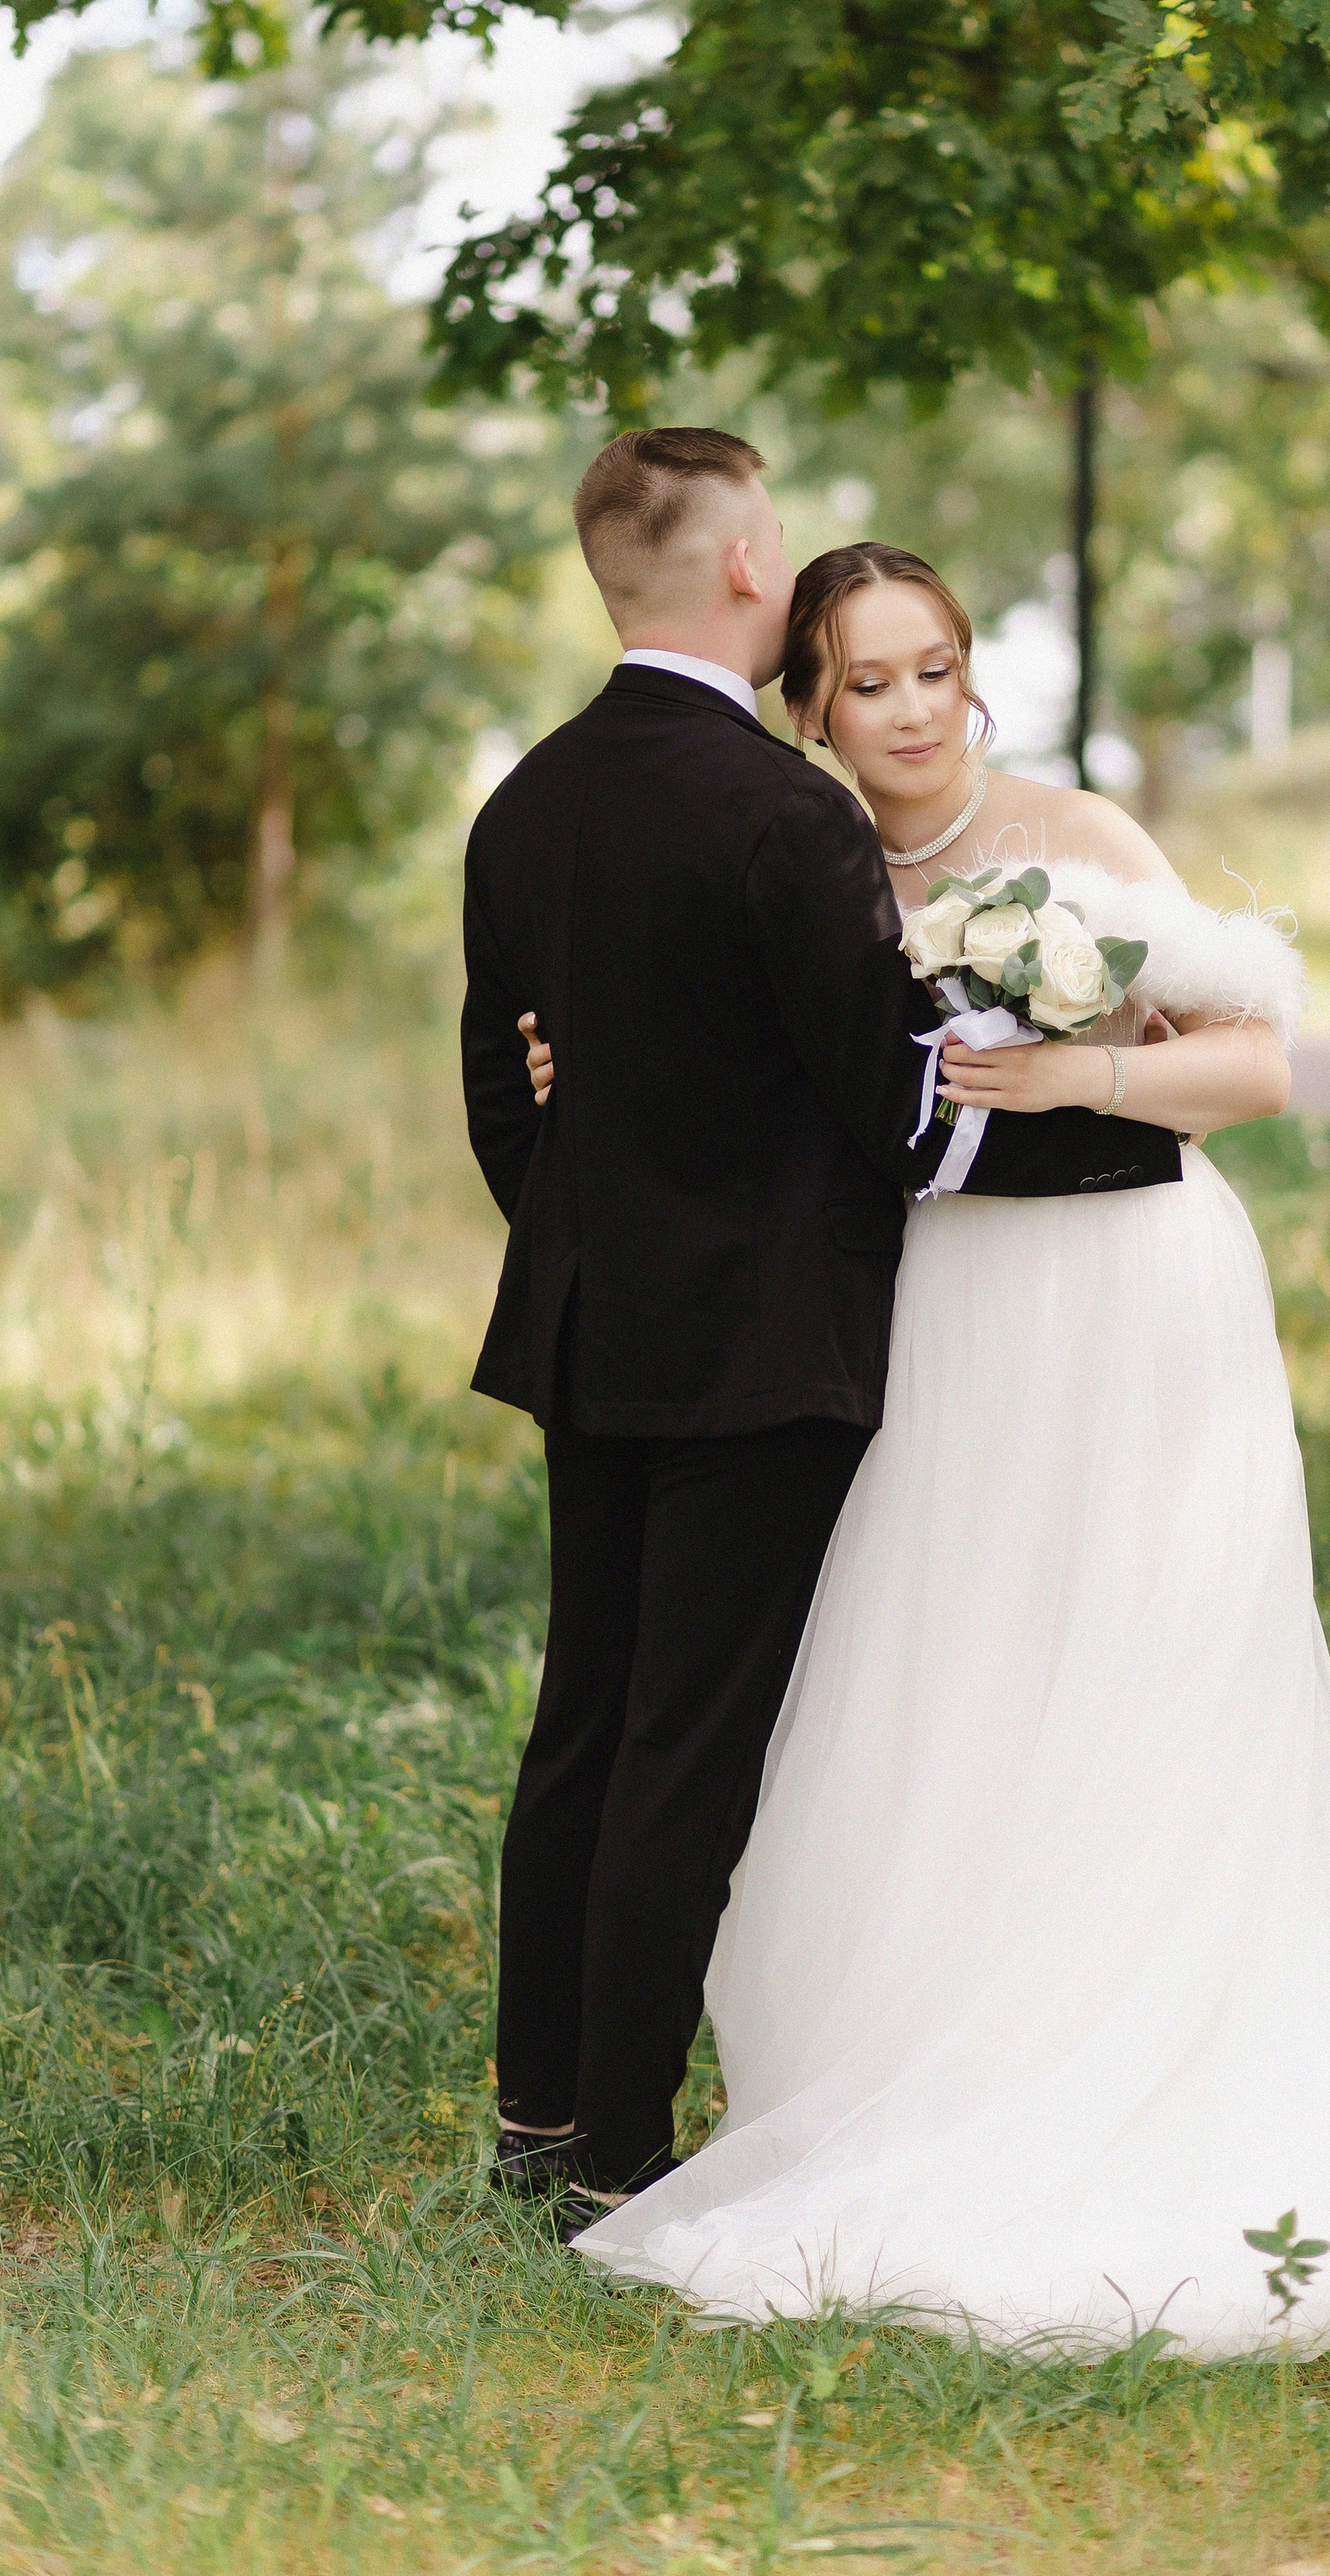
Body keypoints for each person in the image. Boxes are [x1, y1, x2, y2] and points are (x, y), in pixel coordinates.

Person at [530, 538, 1330, 2359]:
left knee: (1145, 1664)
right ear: (804, 710)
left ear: (971, 676)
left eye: (929, 670)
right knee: (948, 1676)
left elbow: (1257, 1068)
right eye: (860, 684)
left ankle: (1173, 2048)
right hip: (933, 1319)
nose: (903, 712)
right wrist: (570, 1075)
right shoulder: (807, 871)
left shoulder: (1080, 836)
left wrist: (1083, 1076)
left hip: (1131, 1300)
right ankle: (932, 2054)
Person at [461, 434, 1193, 2218]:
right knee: (686, 1744)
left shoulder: (524, 804)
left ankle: (537, 2113)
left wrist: (601, 1225)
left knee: (583, 1724)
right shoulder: (779, 814)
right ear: (736, 573)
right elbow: (899, 1121)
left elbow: (507, 1099)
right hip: (760, 1354)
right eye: (775, 543)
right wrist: (1107, 1147)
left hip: (588, 1330)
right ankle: (619, 2156)